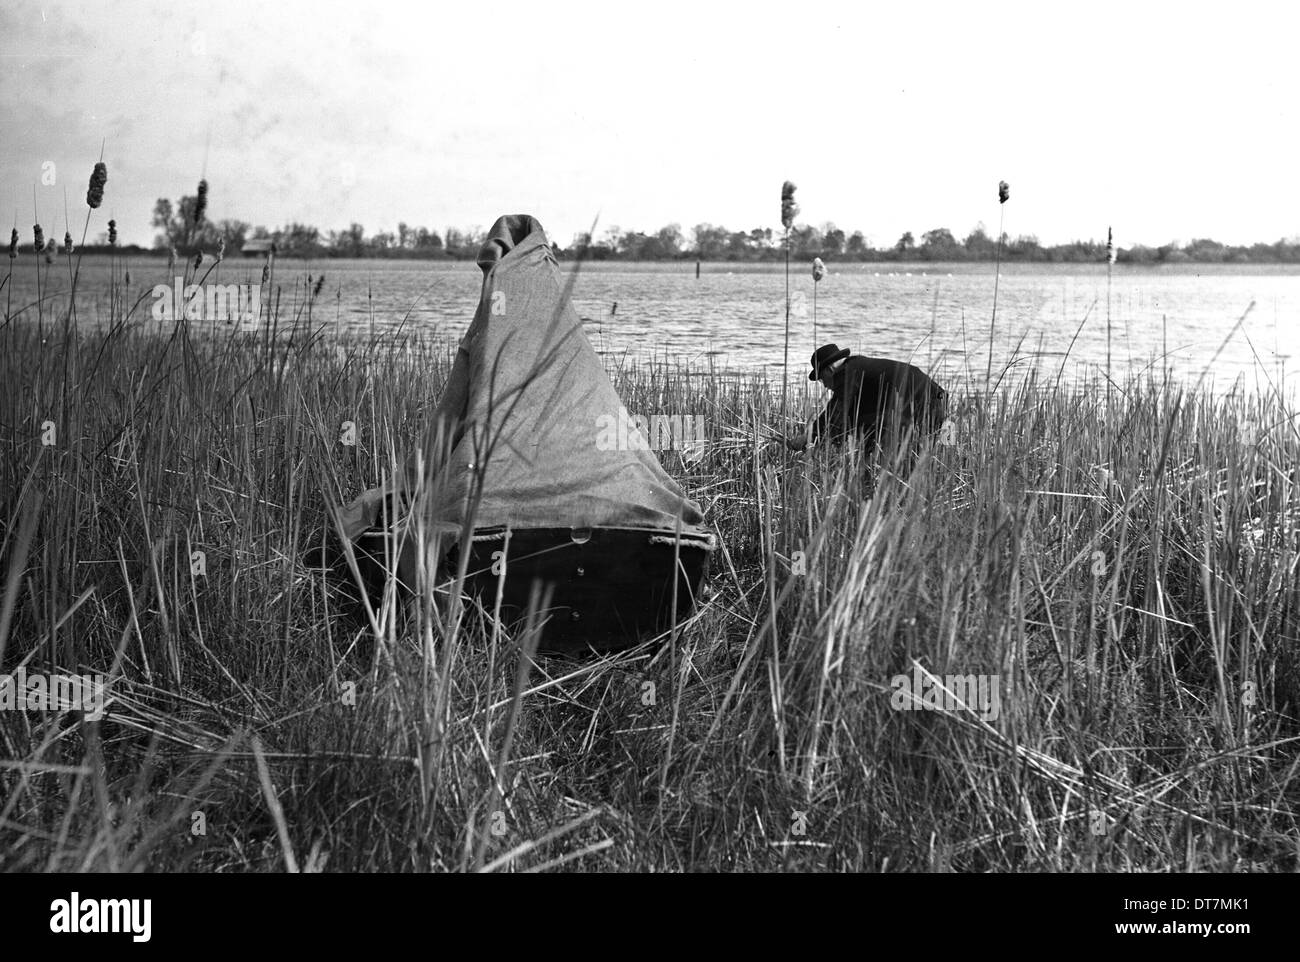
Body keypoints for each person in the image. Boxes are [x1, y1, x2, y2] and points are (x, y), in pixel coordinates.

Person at [787, 343, 947, 452]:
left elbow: (836, 411)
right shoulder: (859, 368)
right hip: (935, 399)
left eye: (822, 379)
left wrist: (808, 437)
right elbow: (847, 418)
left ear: (829, 369)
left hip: (925, 404)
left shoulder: (848, 371)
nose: (825, 385)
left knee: (911, 457)